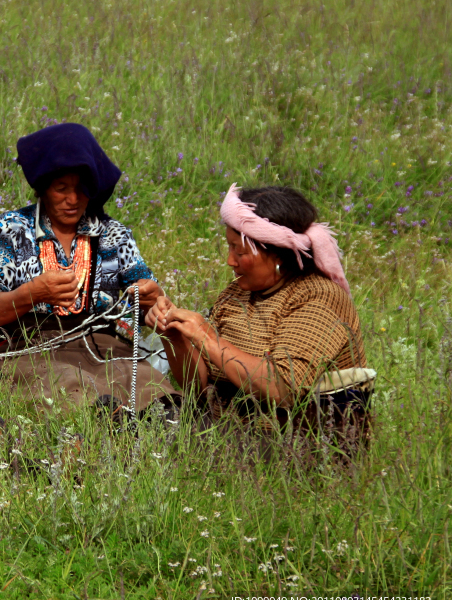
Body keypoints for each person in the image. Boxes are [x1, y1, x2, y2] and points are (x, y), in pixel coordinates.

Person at [147, 184, 371, 449]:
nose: (230, 261)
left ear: (277, 255)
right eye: (229, 248)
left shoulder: (319, 297)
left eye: (240, 252)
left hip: (297, 445)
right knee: (134, 416)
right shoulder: (235, 295)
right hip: (229, 429)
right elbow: (198, 388)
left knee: (159, 435)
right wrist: (174, 336)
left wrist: (207, 337)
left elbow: (283, 389)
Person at [0, 123, 178, 417]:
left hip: (109, 348)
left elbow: (147, 298)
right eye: (61, 189)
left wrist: (151, 297)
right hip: (36, 348)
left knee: (152, 389)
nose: (73, 200)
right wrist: (33, 293)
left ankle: (160, 428)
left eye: (82, 189)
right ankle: (106, 427)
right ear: (42, 189)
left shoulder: (113, 234)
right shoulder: (12, 229)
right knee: (72, 388)